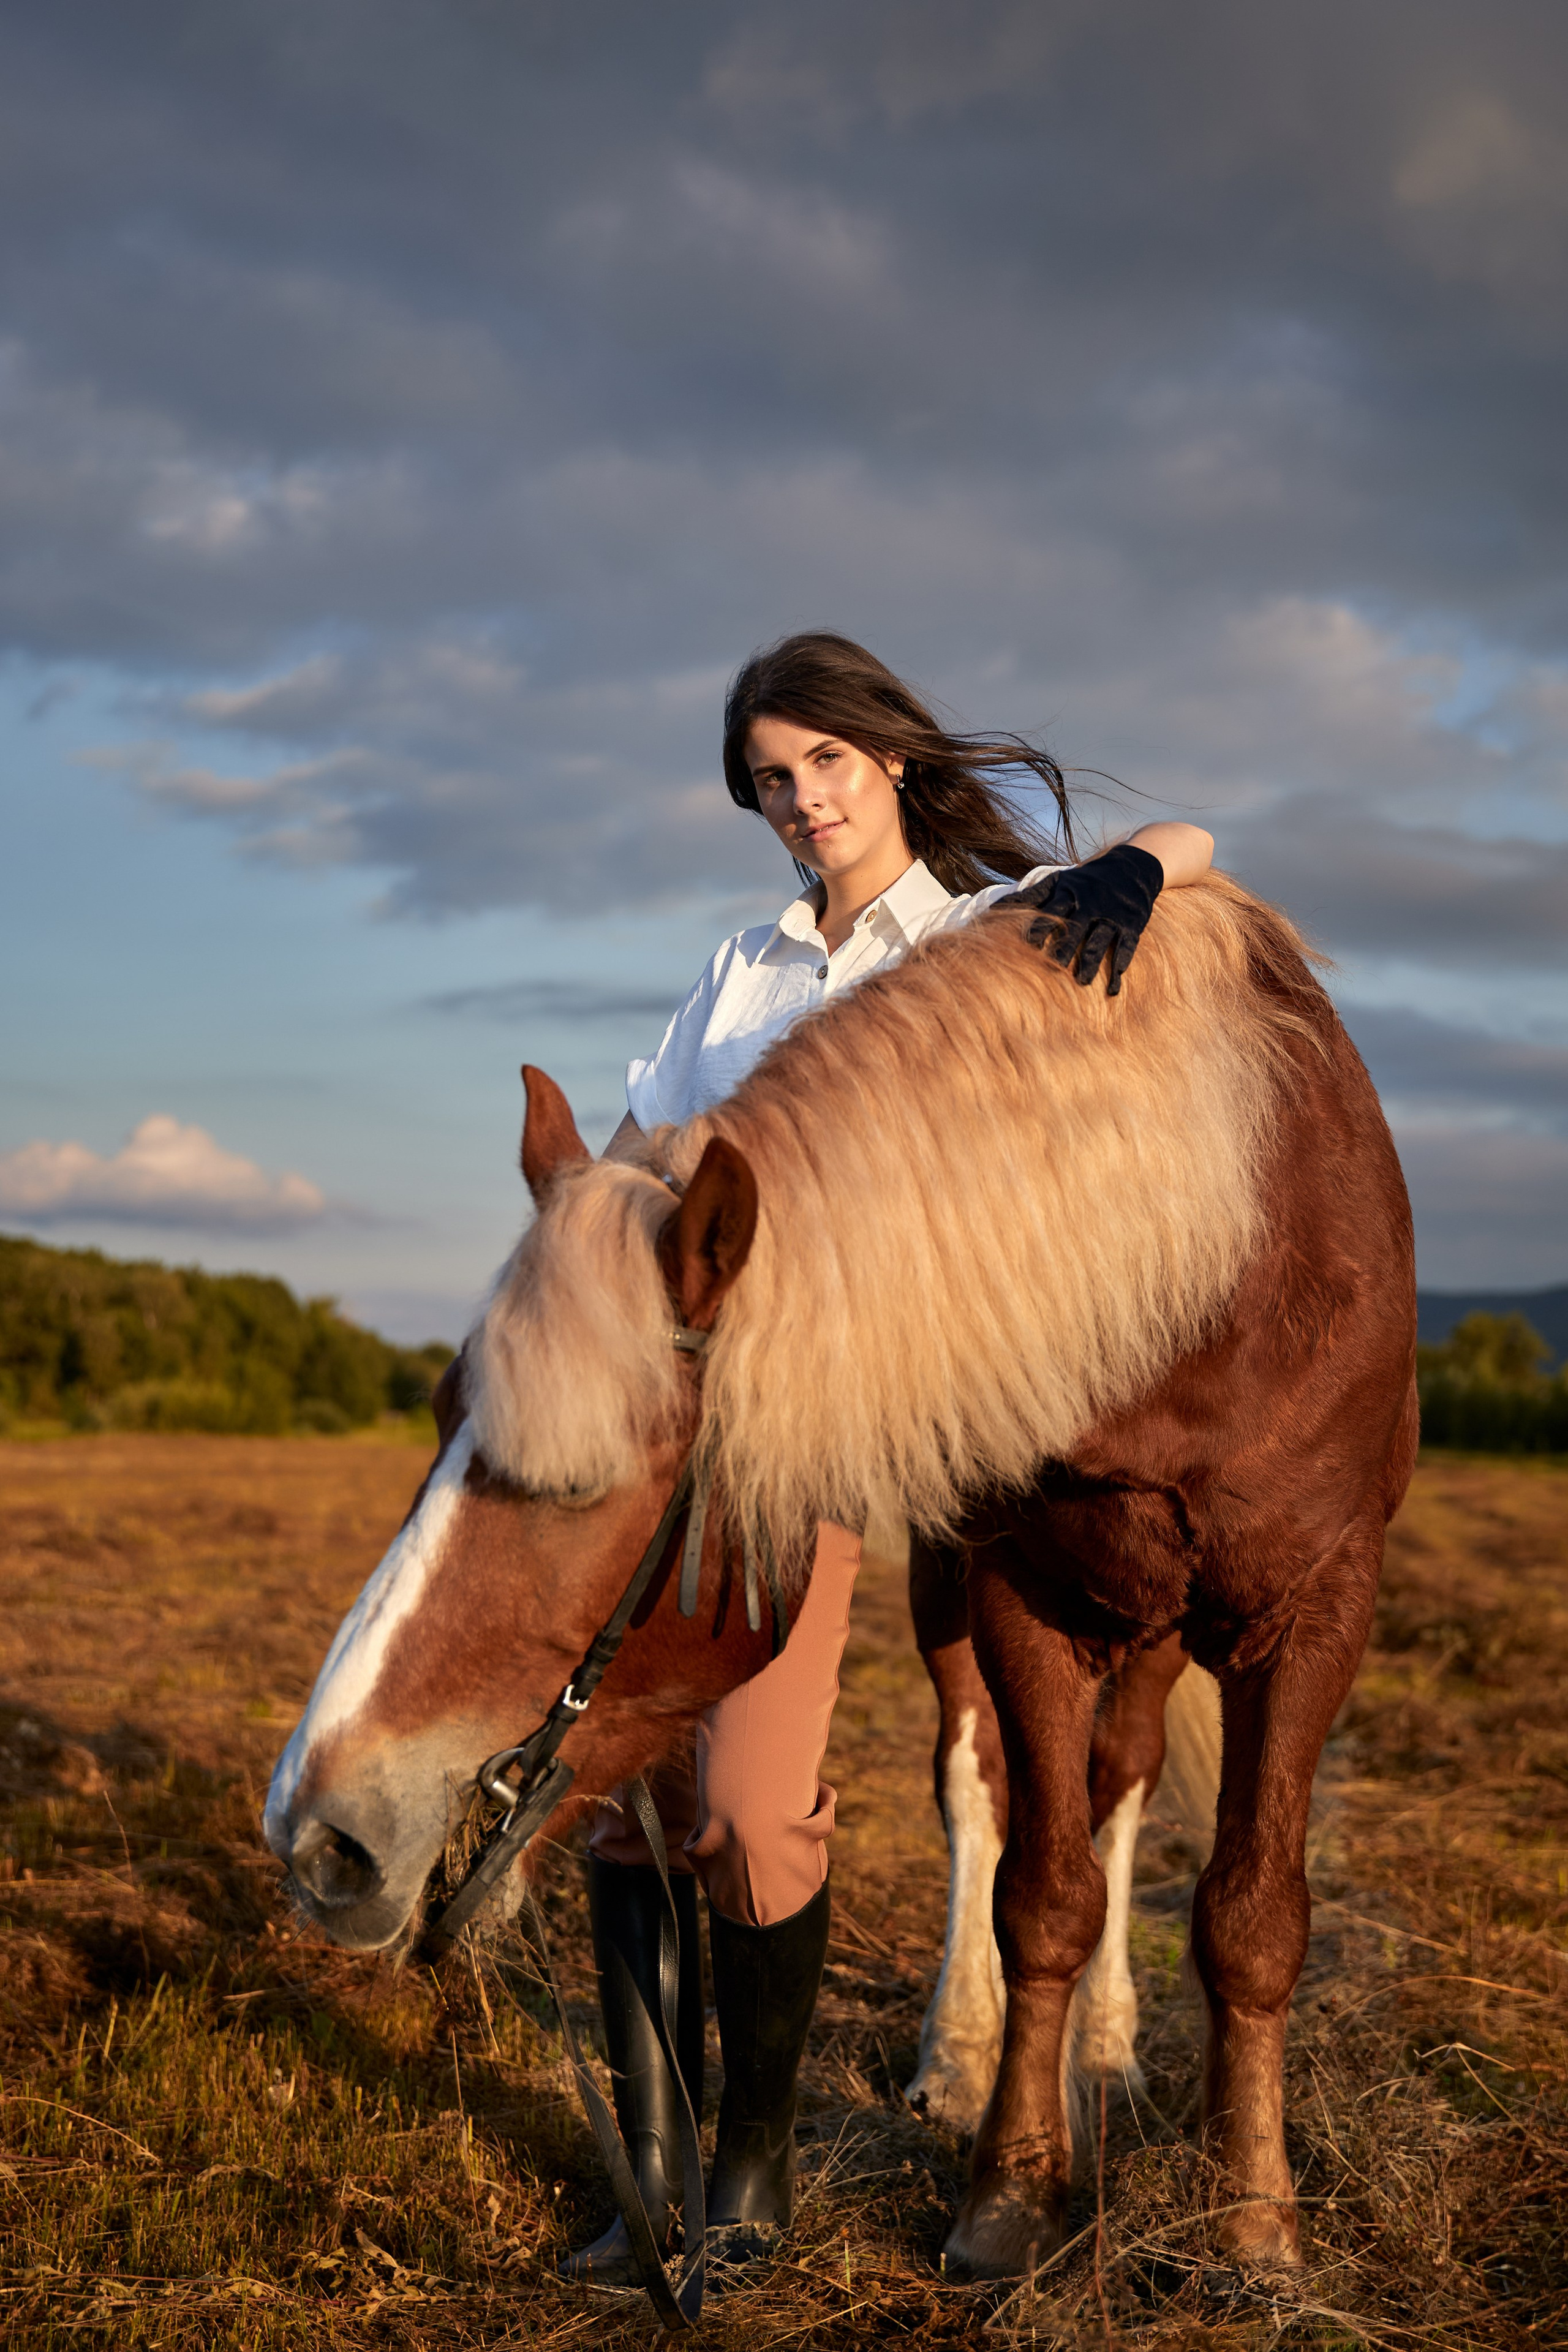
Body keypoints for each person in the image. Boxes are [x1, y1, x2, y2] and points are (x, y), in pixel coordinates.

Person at [562, 631, 1214, 2282]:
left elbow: (1200, 844)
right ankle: (643, 2171)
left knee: (751, 1811)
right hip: (679, 1409)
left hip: (837, 1421)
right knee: (619, 1808)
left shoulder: (985, 937)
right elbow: (649, 1156)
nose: (799, 802)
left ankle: (754, 2174)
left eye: (823, 764)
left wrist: (1137, 870)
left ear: (895, 759)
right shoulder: (743, 965)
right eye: (770, 782)